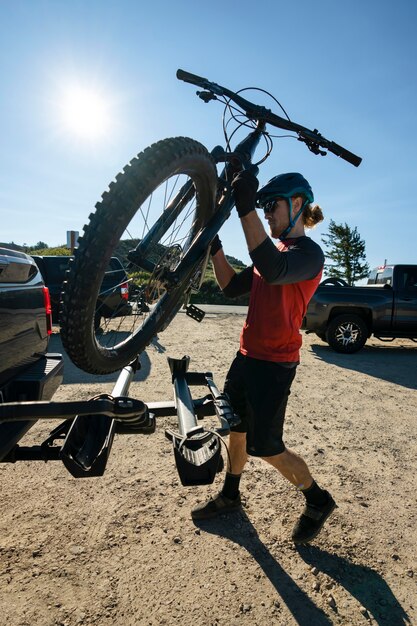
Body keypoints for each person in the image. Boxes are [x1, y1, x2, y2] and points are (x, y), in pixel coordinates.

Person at [191, 170, 336, 544]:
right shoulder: (267, 254)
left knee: (267, 447)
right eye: (264, 207)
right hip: (246, 356)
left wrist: (244, 206)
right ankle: (231, 495)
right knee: (236, 429)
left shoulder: (308, 255)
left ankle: (318, 500)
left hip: (275, 364)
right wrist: (217, 249)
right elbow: (227, 286)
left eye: (271, 206)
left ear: (297, 204)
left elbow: (273, 271)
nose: (267, 214)